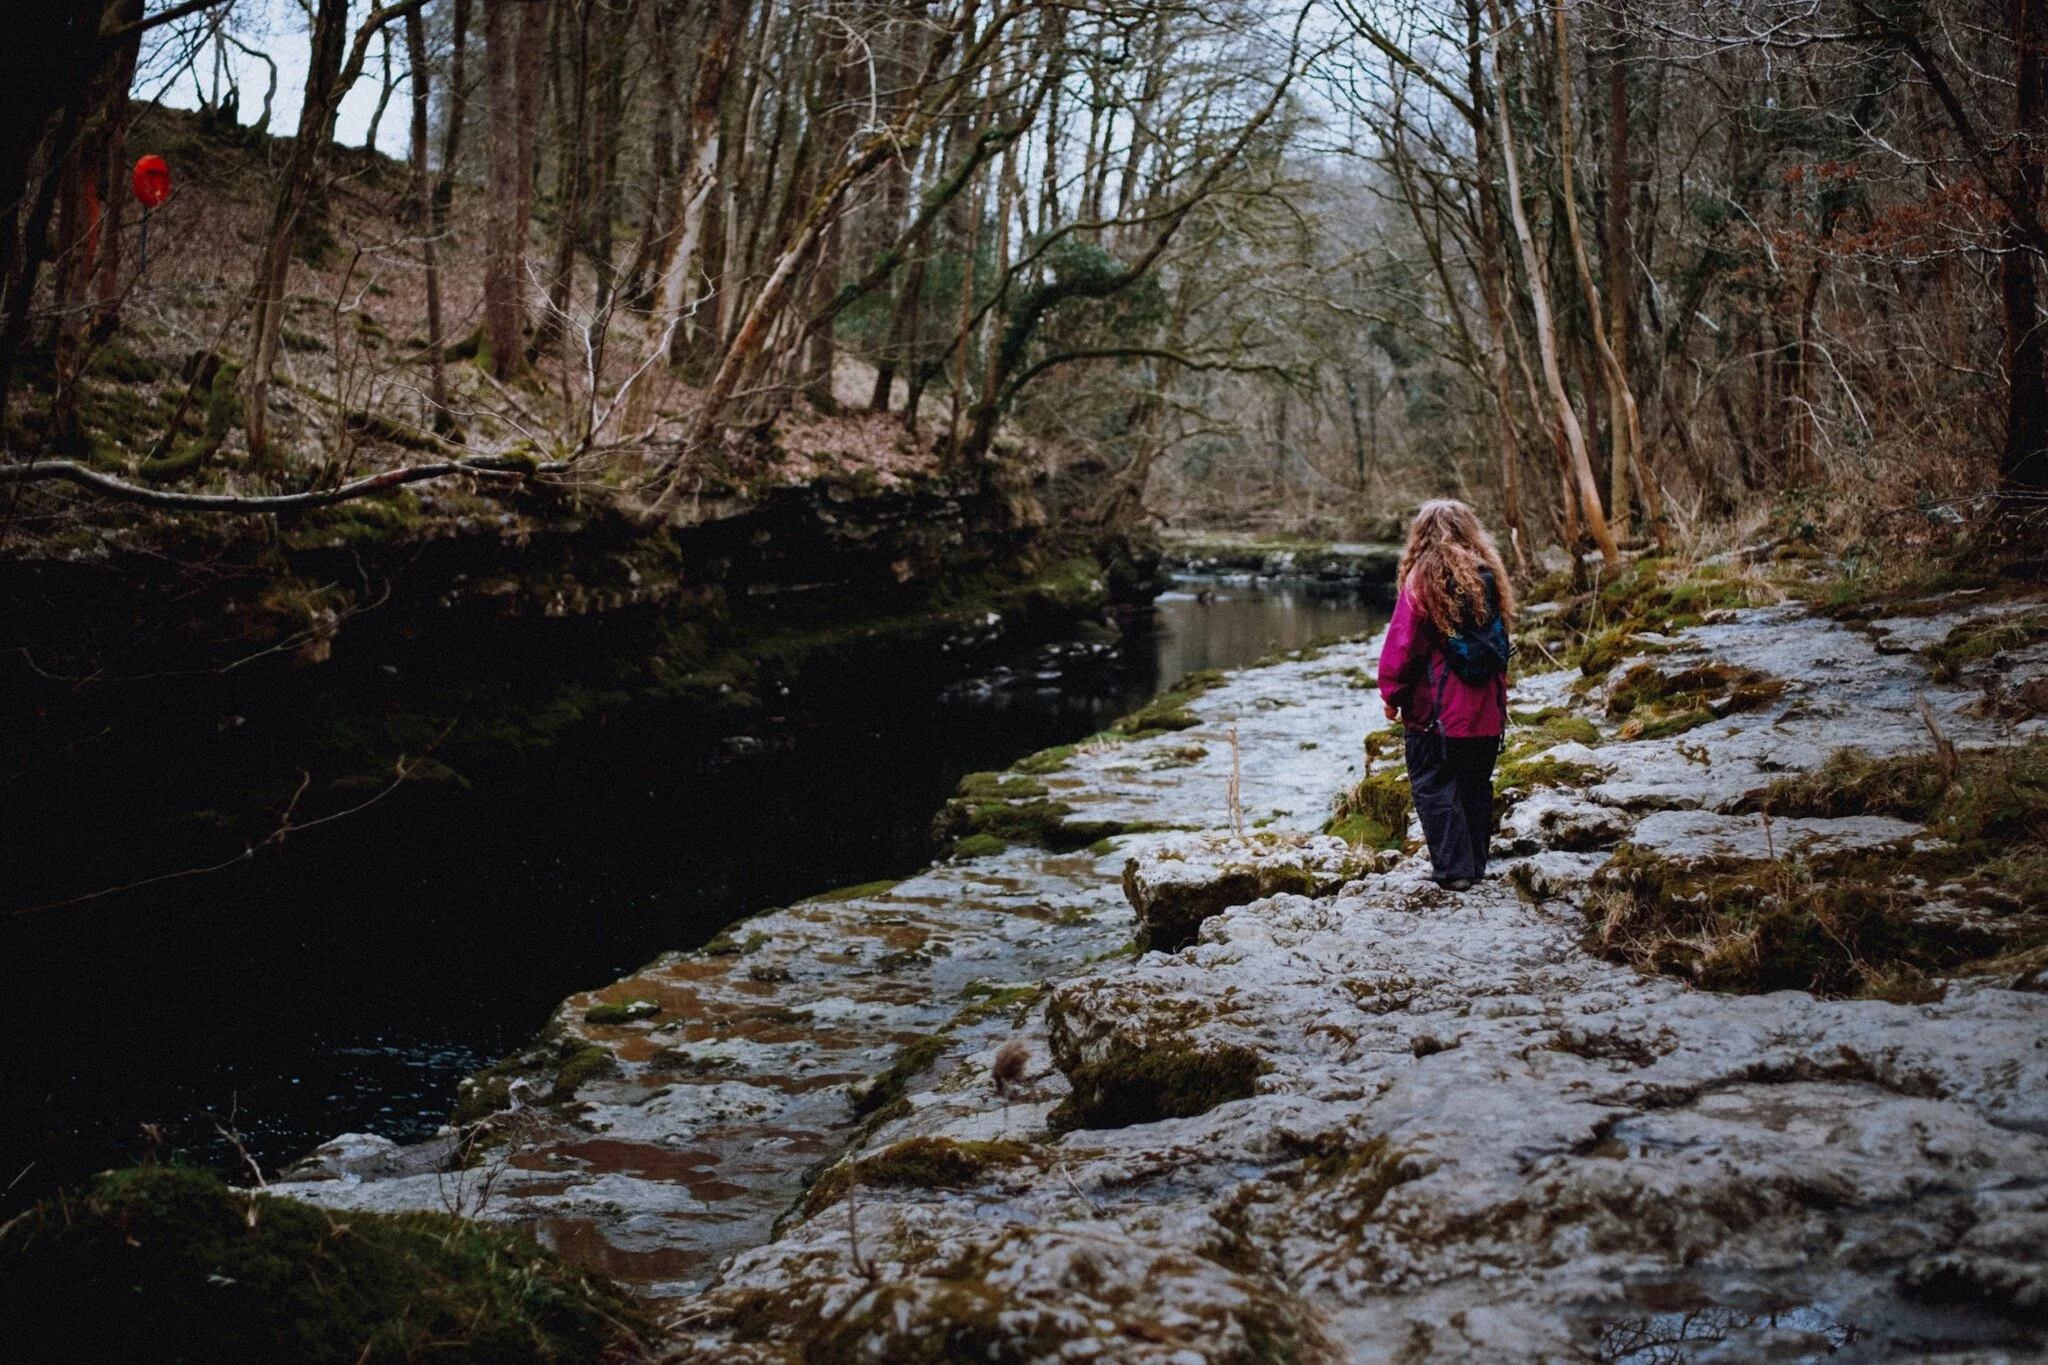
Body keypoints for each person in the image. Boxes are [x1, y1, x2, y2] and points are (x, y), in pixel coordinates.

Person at [1376, 500, 1515, 890]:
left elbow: (1402, 647)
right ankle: (1474, 865)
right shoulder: (1489, 576)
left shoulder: (1422, 581)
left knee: (1434, 785)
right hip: (1486, 710)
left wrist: (1392, 694)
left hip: (1435, 714)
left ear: (1420, 535)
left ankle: (1455, 872)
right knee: (1475, 784)